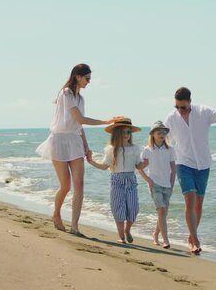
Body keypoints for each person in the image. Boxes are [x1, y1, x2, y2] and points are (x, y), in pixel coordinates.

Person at [36, 63, 123, 236]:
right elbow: (80, 119)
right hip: (59, 141)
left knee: (80, 185)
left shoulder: (81, 98)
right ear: (78, 76)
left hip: (75, 141)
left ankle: (75, 226)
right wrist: (107, 121)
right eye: (87, 78)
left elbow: (78, 125)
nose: (89, 82)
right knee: (66, 185)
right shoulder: (66, 93)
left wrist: (86, 146)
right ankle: (56, 213)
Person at [164, 87, 216, 254]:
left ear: (190, 102)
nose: (180, 111)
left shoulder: (203, 112)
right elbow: (163, 139)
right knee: (189, 199)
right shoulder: (171, 119)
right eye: (177, 107)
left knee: (198, 203)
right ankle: (195, 240)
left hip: (203, 164)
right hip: (183, 163)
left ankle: (191, 235)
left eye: (183, 107)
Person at [87, 118, 146, 244]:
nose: (126, 135)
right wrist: (91, 161)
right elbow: (104, 166)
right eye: (123, 132)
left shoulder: (135, 149)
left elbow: (138, 166)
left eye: (128, 132)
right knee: (118, 208)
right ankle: (121, 237)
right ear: (116, 134)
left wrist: (146, 163)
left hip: (131, 180)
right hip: (116, 180)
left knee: (133, 208)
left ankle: (127, 229)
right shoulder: (111, 149)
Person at [138, 121, 176, 249]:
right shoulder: (147, 150)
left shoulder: (170, 149)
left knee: (163, 213)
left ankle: (155, 235)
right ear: (153, 134)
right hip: (155, 184)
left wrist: (172, 183)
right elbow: (140, 167)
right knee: (161, 210)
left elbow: (173, 168)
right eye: (159, 132)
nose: (162, 134)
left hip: (168, 185)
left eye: (164, 132)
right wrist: (148, 180)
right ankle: (166, 240)